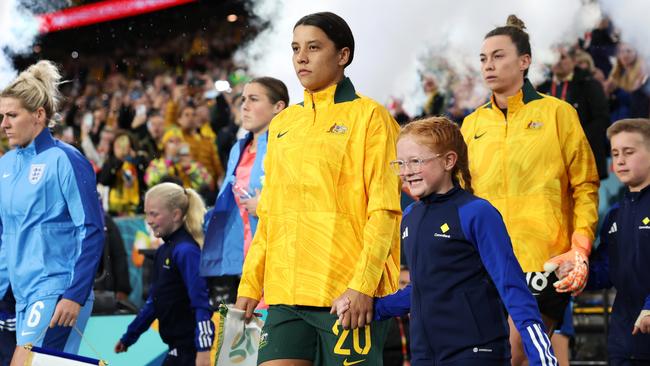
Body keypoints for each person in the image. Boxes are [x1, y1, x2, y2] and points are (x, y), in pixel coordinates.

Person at [235, 11, 402, 366]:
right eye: (296, 48)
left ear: (343, 55)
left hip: (344, 294)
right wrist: (251, 283)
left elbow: (385, 210)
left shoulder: (372, 117)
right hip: (285, 293)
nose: (301, 57)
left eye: (313, 47)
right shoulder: (283, 125)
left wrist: (362, 285)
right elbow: (271, 213)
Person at [335, 117, 557, 366]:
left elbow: (513, 289)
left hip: (476, 355)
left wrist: (543, 359)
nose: (406, 171)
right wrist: (371, 308)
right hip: (425, 357)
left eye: (416, 161)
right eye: (400, 163)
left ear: (448, 161)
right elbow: (423, 288)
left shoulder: (477, 213)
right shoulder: (410, 217)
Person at [460, 15, 599, 365]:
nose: (488, 65)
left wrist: (579, 248)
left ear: (525, 61)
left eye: (498, 56)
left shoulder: (558, 114)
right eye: (483, 58)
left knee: (516, 352)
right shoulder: (472, 124)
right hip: (484, 262)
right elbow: (461, 194)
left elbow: (585, 185)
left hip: (544, 262)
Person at [0, 60, 104, 363]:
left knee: (24, 362)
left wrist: (75, 294)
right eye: (1, 116)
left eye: (11, 115)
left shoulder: (66, 159)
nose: (3, 124)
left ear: (39, 115)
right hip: (24, 295)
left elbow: (92, 230)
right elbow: (7, 236)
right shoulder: (5, 165)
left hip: (59, 289)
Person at [201, 77, 288, 305]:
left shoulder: (288, 148)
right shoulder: (238, 149)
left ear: (278, 107)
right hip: (246, 256)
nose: (245, 106)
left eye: (254, 99)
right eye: (243, 100)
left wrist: (266, 206)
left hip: (279, 256)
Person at [115, 182, 214, 366]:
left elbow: (201, 303)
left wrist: (203, 350)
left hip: (191, 351)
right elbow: (155, 301)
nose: (149, 220)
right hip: (176, 348)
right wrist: (129, 336)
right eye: (146, 213)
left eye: (154, 214)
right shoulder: (163, 251)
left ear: (176, 215)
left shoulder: (186, 251)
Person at [586, 118, 650, 365]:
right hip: (623, 341)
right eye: (615, 153)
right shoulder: (614, 213)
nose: (619, 160)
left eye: (629, 152)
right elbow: (606, 270)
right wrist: (579, 274)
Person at [537, 45, 611, 180]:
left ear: (573, 60)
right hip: (550, 163)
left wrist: (575, 140)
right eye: (554, 57)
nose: (557, 61)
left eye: (563, 57)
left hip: (583, 159)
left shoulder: (589, 84)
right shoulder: (540, 88)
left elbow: (601, 119)